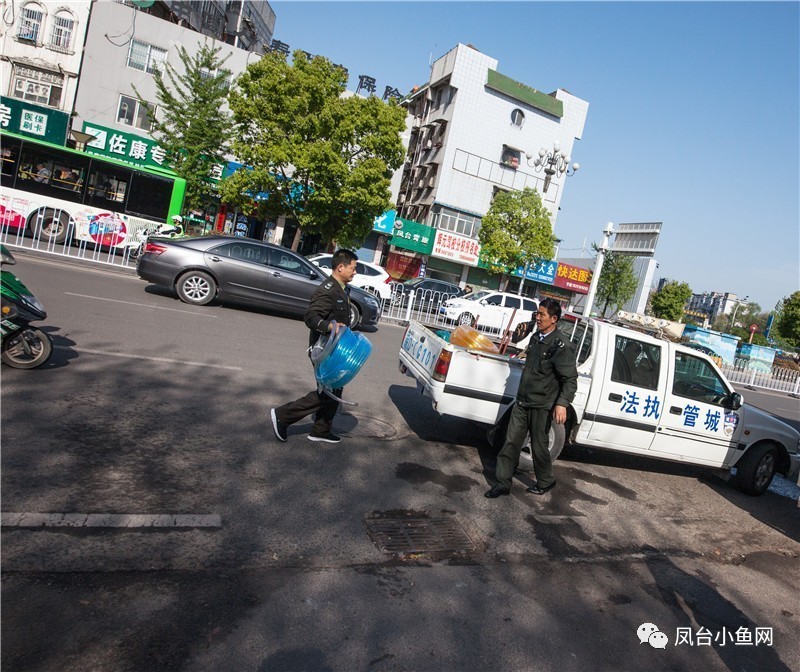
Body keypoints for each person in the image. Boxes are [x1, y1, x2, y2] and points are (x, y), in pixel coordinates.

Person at [485, 298, 578, 498]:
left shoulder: (562, 346)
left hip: (542, 405)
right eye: (537, 313)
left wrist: (562, 404)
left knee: (539, 446)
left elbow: (570, 379)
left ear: (554, 319)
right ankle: (502, 484)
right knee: (510, 442)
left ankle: (546, 481)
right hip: (522, 401)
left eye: (541, 314)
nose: (538, 317)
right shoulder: (536, 337)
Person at [271, 249, 359, 444]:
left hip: (335, 349)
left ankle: (321, 430)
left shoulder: (343, 288)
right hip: (323, 350)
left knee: (334, 389)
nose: (355, 272)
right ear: (340, 267)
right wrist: (330, 327)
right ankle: (282, 416)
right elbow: (311, 317)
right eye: (353, 268)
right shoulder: (327, 290)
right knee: (327, 393)